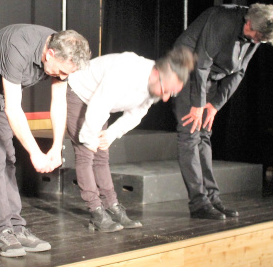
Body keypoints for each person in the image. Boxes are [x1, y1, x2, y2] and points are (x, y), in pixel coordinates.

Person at [0, 25, 91, 257]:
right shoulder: (18, 46)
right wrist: (35, 152)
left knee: (8, 157)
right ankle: (1, 231)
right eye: (60, 71)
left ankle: (17, 227)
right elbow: (13, 109)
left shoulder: (61, 53)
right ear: (49, 54)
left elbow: (59, 104)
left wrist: (56, 148)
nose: (62, 77)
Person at [173, 3, 273, 220]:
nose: (257, 41)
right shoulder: (223, 19)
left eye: (261, 40)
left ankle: (212, 198)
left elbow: (239, 72)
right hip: (188, 70)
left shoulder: (256, 33)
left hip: (210, 78)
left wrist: (215, 105)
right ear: (249, 22)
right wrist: (198, 105)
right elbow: (200, 64)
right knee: (190, 134)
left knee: (204, 135)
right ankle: (199, 203)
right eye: (257, 37)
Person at [66, 46, 196, 232]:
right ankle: (96, 212)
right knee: (86, 154)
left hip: (100, 104)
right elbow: (100, 103)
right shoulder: (126, 70)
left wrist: (110, 134)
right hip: (81, 92)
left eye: (170, 94)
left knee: (102, 154)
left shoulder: (155, 86)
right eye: (165, 90)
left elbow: (136, 114)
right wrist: (88, 137)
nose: (166, 98)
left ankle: (112, 206)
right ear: (156, 74)